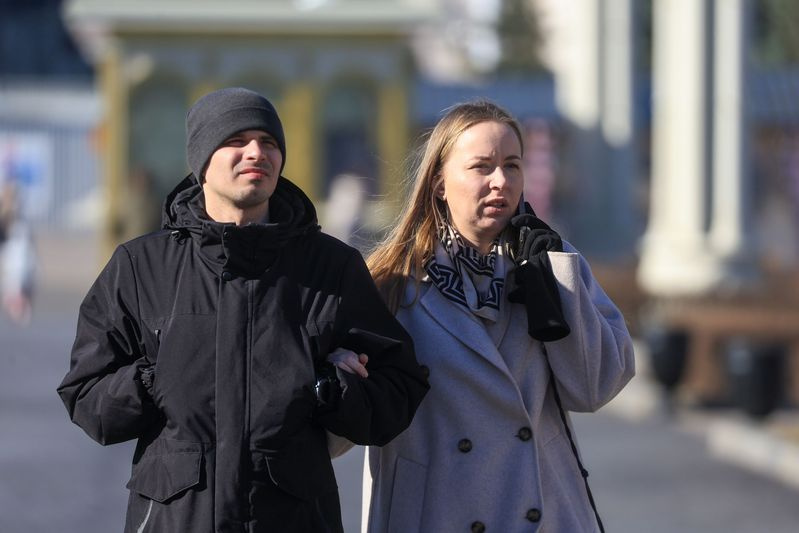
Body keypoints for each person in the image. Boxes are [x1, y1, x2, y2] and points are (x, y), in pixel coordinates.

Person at [57, 87, 429, 533]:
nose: (256, 152)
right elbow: (86, 396)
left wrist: (333, 388)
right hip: (176, 520)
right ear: (202, 160)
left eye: (268, 142)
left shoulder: (331, 267)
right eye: (236, 140)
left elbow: (399, 390)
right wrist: (155, 380)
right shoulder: (140, 267)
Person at [358, 101, 635, 532]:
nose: (501, 181)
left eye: (512, 165)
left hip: (543, 515)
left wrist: (557, 284)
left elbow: (594, 388)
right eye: (481, 167)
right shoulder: (391, 284)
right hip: (435, 515)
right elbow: (350, 420)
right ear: (439, 183)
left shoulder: (551, 263)